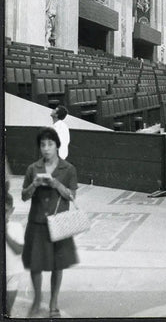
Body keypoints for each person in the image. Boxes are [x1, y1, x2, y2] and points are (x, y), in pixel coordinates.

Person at [21, 127, 78, 318]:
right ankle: (37, 300)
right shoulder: (32, 169)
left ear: (57, 146)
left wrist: (57, 184)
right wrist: (34, 185)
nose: (46, 148)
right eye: (42, 145)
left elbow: (71, 196)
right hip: (36, 222)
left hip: (60, 221)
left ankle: (53, 303)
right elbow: (23, 196)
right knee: (35, 264)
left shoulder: (69, 169)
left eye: (50, 144)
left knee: (57, 264)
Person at [6, 163, 24, 316]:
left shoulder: (16, 227)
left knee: (7, 311)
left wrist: (5, 235)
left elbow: (19, 250)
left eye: (5, 211)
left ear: (11, 211)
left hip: (13, 274)